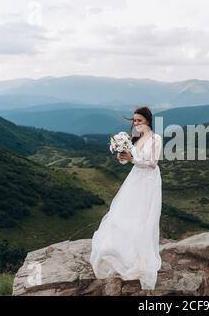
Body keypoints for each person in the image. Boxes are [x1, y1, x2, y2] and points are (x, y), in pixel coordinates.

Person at [90, 106, 163, 290]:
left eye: (139, 120)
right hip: (135, 178)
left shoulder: (155, 139)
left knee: (144, 216)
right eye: (134, 120)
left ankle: (141, 256)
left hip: (149, 181)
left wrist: (132, 159)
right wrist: (122, 156)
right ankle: (126, 252)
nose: (136, 123)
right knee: (127, 213)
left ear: (148, 121)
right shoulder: (136, 139)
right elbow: (130, 159)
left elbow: (153, 164)